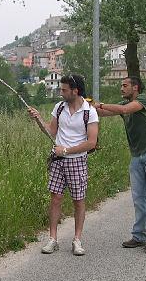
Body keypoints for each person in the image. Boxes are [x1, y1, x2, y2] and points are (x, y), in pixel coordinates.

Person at [93, 76, 146, 253]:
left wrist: (100, 104)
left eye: (125, 85)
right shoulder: (122, 105)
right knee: (138, 198)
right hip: (137, 155)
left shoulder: (143, 100)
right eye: (121, 85)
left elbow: (124, 109)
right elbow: (105, 112)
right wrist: (89, 106)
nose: (121, 88)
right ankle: (139, 236)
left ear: (135, 88)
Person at [28, 74, 99, 256]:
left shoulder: (89, 111)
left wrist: (67, 150)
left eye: (64, 90)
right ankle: (53, 239)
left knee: (78, 201)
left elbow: (91, 143)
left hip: (76, 161)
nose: (61, 93)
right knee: (55, 198)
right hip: (57, 161)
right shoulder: (59, 108)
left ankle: (77, 240)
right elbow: (51, 131)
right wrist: (38, 119)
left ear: (75, 91)